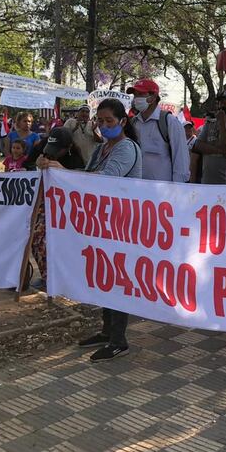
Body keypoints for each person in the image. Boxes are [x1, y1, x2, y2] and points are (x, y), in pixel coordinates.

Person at [66, 99, 142, 362]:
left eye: (109, 121)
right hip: (102, 223)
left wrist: (62, 172)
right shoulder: (101, 149)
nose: (104, 125)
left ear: (122, 121)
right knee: (104, 277)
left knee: (118, 280)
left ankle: (119, 340)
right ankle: (107, 330)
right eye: (100, 120)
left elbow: (105, 180)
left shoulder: (126, 149)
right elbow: (87, 174)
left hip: (123, 224)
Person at [31, 127, 86, 290]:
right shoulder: (42, 149)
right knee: (37, 237)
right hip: (45, 203)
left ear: (68, 148)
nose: (53, 153)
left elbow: (85, 181)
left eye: (58, 150)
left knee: (66, 243)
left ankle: (66, 277)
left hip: (68, 208)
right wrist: (37, 164)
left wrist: (65, 172)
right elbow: (25, 163)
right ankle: (47, 276)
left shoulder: (77, 160)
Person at [128, 78, 189, 182]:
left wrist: (177, 190)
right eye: (135, 95)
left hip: (161, 193)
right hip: (136, 190)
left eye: (141, 94)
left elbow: (181, 160)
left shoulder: (169, 122)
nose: (136, 99)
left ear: (153, 97)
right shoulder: (133, 123)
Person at [194, 90, 226, 184]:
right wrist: (221, 151)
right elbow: (198, 145)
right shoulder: (210, 123)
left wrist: (222, 122)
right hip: (207, 183)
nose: (223, 106)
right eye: (221, 102)